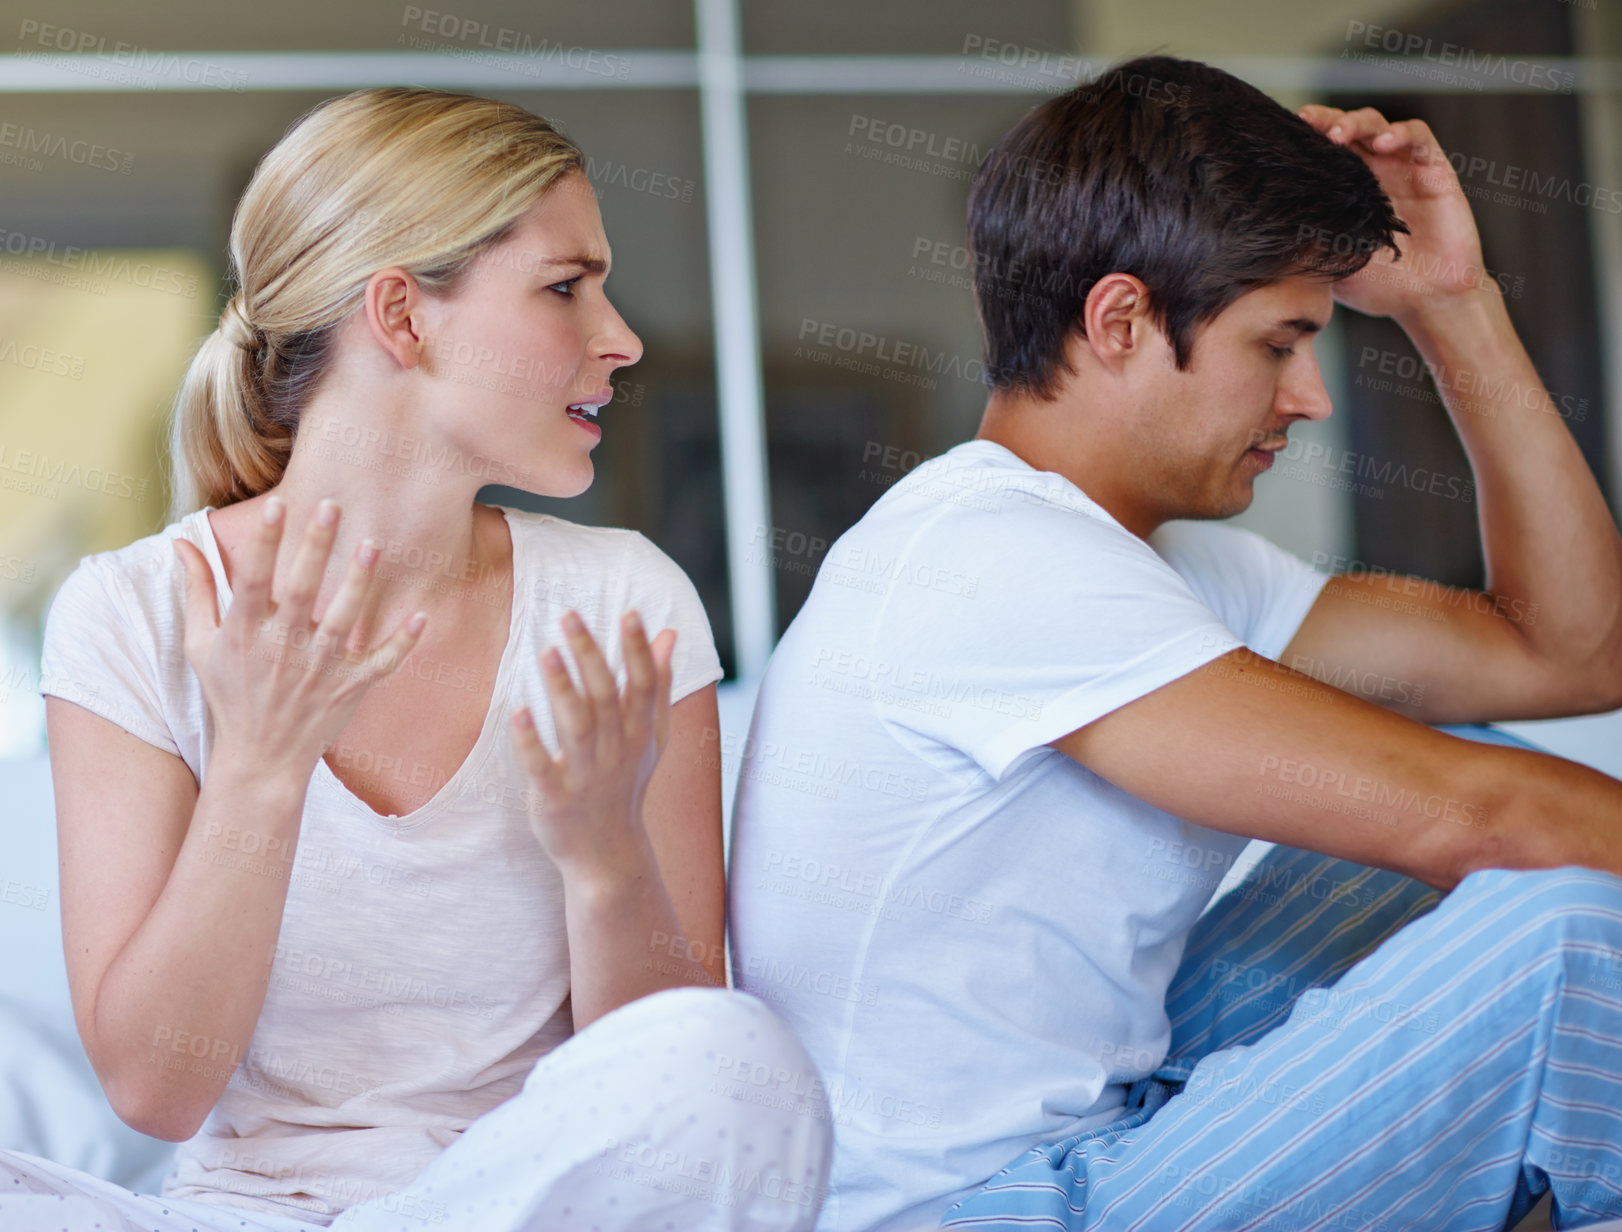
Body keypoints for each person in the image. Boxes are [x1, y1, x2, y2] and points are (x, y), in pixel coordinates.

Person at [726, 53, 1622, 1232]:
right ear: (1120, 319)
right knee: (1556, 919)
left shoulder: (1148, 556)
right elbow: (1488, 815)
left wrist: (1452, 302)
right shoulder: (989, 556)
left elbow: (1565, 650)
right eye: (1275, 344)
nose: (1308, 398)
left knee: (1475, 760)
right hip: (958, 1210)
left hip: (1108, 1116)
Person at [11, 87, 830, 1232]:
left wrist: (602, 856)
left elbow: (672, 1089)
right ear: (402, 316)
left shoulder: (620, 599)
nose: (620, 337)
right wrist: (258, 762)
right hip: (235, 1213)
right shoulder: (134, 611)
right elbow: (156, 1088)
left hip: (513, 1203)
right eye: (564, 286)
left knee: (743, 1059)